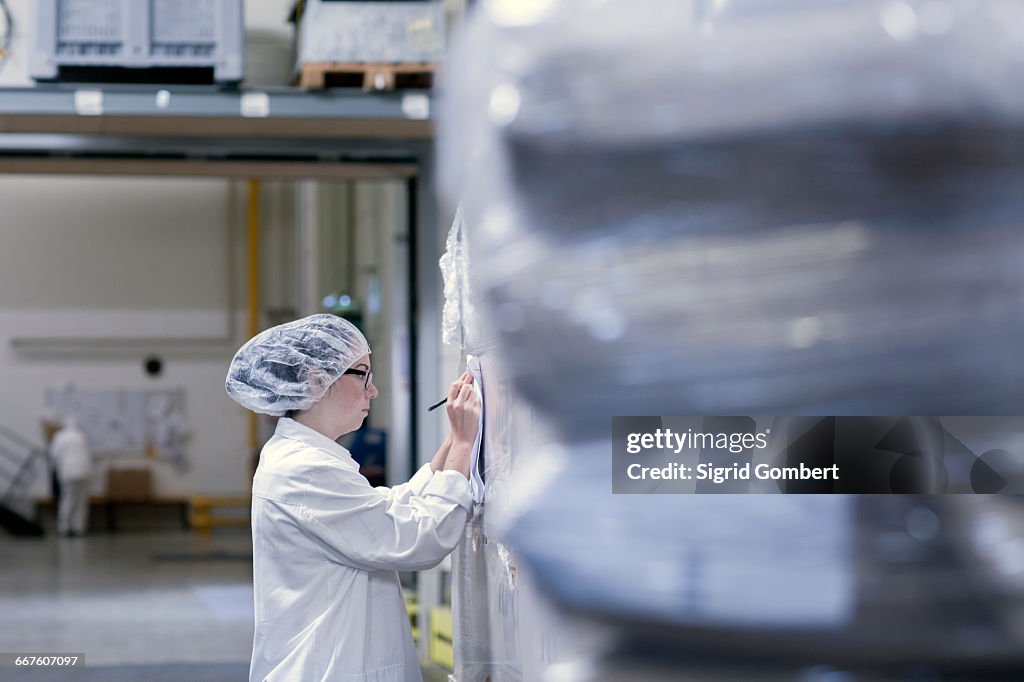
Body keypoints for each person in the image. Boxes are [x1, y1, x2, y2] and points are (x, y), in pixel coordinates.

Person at [225, 314, 479, 682]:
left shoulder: (304, 458)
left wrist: (456, 441)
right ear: (317, 379)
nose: (372, 391)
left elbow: (388, 510)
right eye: (363, 374)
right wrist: (467, 443)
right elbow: (417, 539)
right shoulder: (304, 469)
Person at [50, 416, 92, 537]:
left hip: (68, 471)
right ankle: (79, 527)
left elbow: (54, 455)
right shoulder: (82, 435)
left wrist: (55, 469)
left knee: (68, 499)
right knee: (81, 501)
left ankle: (64, 527)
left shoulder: (60, 436)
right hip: (84, 470)